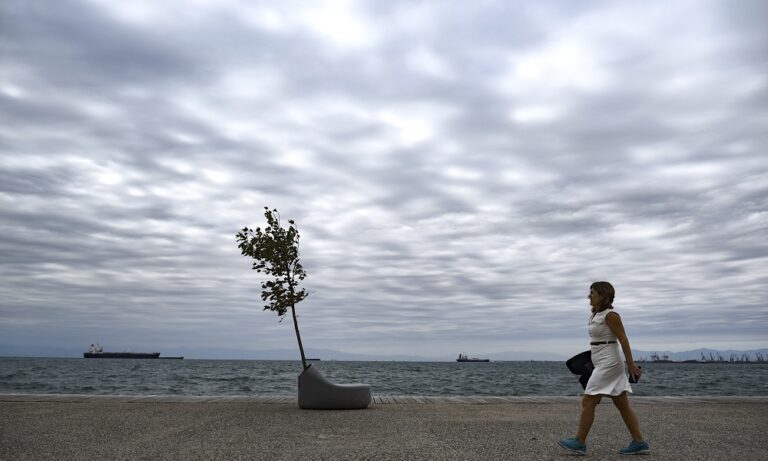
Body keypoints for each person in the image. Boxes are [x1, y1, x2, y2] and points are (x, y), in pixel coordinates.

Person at [559, 281, 650, 456]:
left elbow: (623, 339)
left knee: (588, 400)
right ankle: (639, 442)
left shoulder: (611, 315)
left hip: (610, 362)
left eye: (592, 292)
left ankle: (579, 442)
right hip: (600, 360)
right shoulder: (595, 316)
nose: (589, 295)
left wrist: (630, 364)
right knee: (622, 403)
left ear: (603, 295)